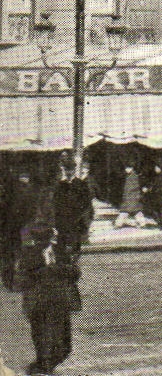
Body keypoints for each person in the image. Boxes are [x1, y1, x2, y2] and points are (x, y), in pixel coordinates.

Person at [16, 223, 80, 375]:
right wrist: (43, 273)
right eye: (40, 239)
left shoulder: (60, 252)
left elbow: (75, 272)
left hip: (60, 302)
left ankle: (43, 366)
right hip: (39, 304)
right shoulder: (28, 255)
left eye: (46, 238)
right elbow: (20, 281)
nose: (44, 243)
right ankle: (42, 367)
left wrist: (59, 269)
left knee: (64, 346)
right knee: (43, 339)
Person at [2, 170, 44, 291]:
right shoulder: (31, 191)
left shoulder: (10, 191)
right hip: (24, 228)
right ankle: (22, 280)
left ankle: (11, 281)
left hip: (15, 228)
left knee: (12, 254)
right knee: (25, 252)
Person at [50, 160, 92, 261]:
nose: (69, 172)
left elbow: (86, 203)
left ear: (74, 170)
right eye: (67, 170)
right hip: (62, 220)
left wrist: (81, 217)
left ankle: (73, 264)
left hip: (76, 219)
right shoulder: (60, 185)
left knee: (75, 245)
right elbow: (55, 203)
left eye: (71, 170)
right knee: (61, 245)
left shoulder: (81, 184)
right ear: (64, 170)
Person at [115, 164, 143, 228]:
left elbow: (134, 187)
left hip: (132, 197)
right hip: (130, 197)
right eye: (125, 168)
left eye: (128, 168)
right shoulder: (129, 176)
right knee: (135, 211)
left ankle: (118, 224)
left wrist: (128, 194)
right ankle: (142, 223)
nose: (126, 170)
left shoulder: (133, 176)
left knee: (125, 211)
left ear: (132, 168)